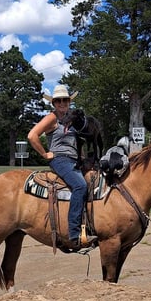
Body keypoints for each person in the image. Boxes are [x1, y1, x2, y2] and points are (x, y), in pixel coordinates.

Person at [27, 84, 97, 251]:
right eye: (59, 101)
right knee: (80, 186)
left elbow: (78, 142)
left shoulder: (72, 119)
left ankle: (91, 225)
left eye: (65, 100)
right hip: (60, 159)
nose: (62, 103)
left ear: (69, 102)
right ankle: (74, 234)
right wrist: (45, 154)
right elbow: (32, 135)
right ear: (54, 103)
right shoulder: (52, 118)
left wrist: (84, 158)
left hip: (74, 160)